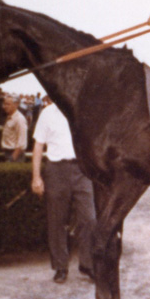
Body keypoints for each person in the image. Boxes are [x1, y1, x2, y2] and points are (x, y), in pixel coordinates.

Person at [31, 100, 95, 283]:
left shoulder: (83, 110)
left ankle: (87, 264)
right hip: (56, 170)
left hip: (82, 170)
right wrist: (36, 177)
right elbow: (38, 147)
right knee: (57, 220)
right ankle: (60, 267)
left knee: (89, 218)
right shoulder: (47, 113)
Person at [0, 95, 27, 161]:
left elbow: (21, 143)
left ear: (16, 105)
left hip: (15, 155)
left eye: (7, 104)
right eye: (4, 104)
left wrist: (11, 159)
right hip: (7, 153)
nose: (4, 106)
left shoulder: (19, 119)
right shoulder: (10, 117)